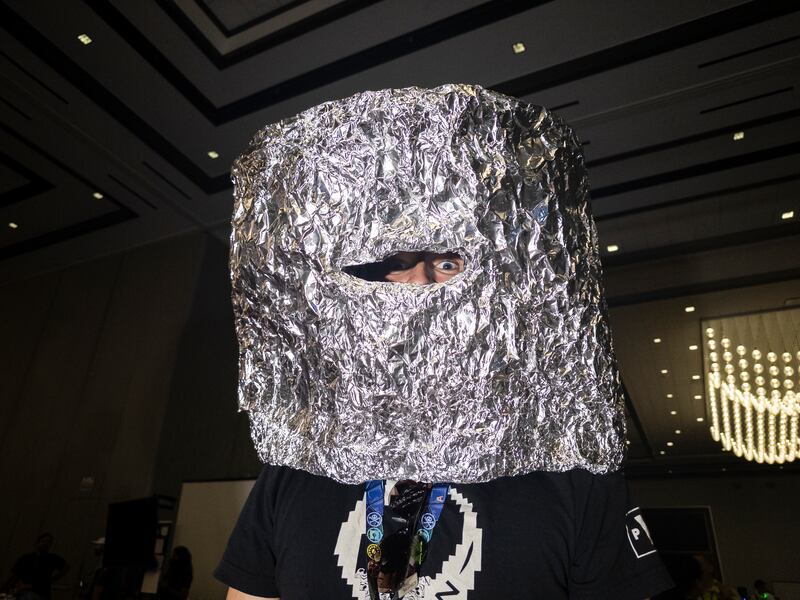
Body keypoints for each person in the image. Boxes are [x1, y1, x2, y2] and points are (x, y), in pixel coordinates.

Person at [214, 84, 674, 599]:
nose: (416, 290)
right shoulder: (298, 467)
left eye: (447, 262)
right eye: (390, 265)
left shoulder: (569, 471)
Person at [3, 533, 70, 600]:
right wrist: (7, 587)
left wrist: (55, 578)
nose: (45, 544)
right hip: (26, 592)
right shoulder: (26, 558)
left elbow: (66, 566)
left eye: (48, 542)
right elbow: (14, 574)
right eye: (43, 541)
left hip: (41, 592)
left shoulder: (51, 558)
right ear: (38, 542)